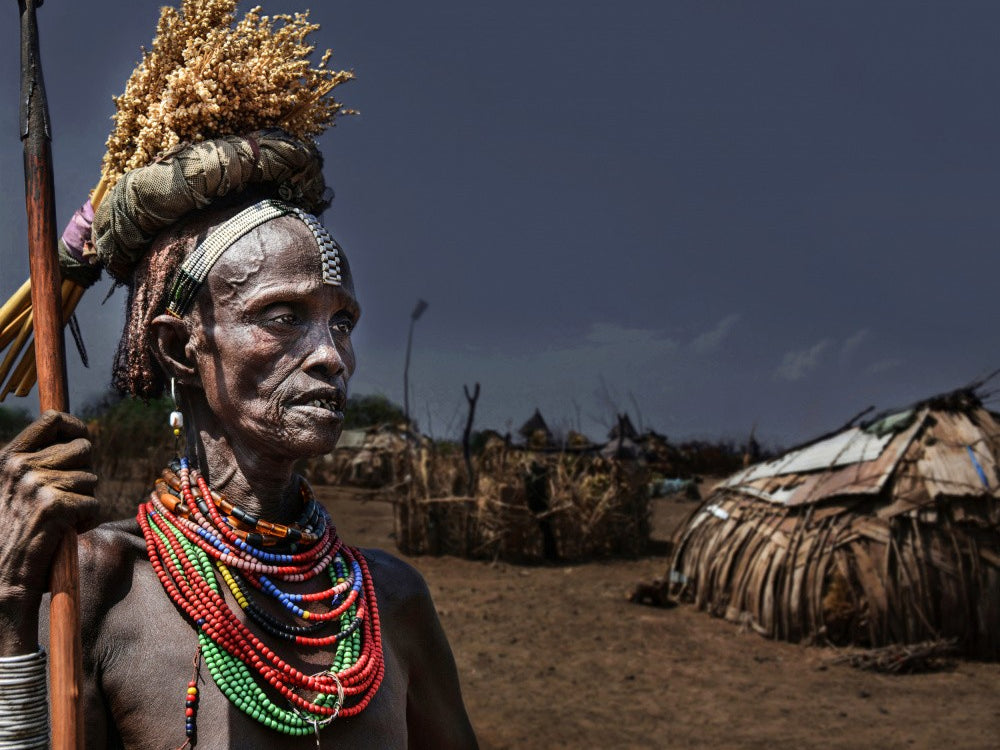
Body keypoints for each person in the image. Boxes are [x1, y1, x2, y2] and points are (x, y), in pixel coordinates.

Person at [0, 131, 479, 748]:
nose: (332, 356)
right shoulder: (100, 586)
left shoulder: (392, 599)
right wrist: (12, 608)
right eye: (284, 318)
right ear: (179, 348)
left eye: (342, 322)